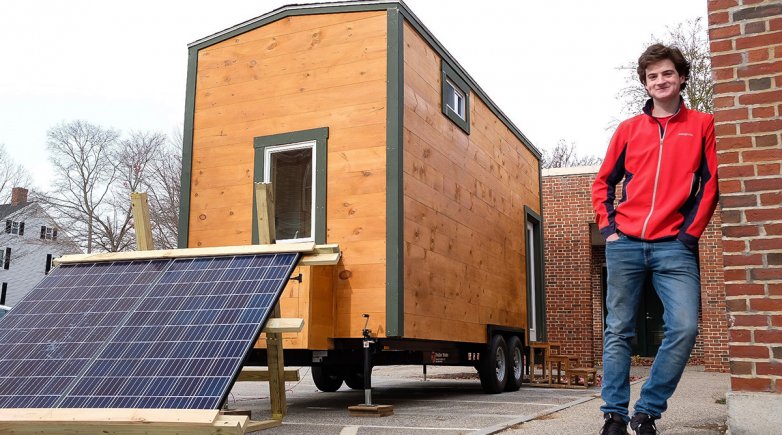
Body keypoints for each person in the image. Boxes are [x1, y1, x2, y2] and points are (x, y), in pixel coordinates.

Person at [591, 43, 718, 435]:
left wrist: (688, 235)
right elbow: (603, 183)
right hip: (625, 243)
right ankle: (614, 414)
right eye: (652, 76)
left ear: (681, 78)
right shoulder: (629, 130)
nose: (660, 81)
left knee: (683, 327)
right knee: (618, 331)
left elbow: (711, 183)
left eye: (667, 73)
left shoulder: (702, 125)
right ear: (645, 85)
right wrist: (609, 231)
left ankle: (646, 411)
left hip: (673, 247)